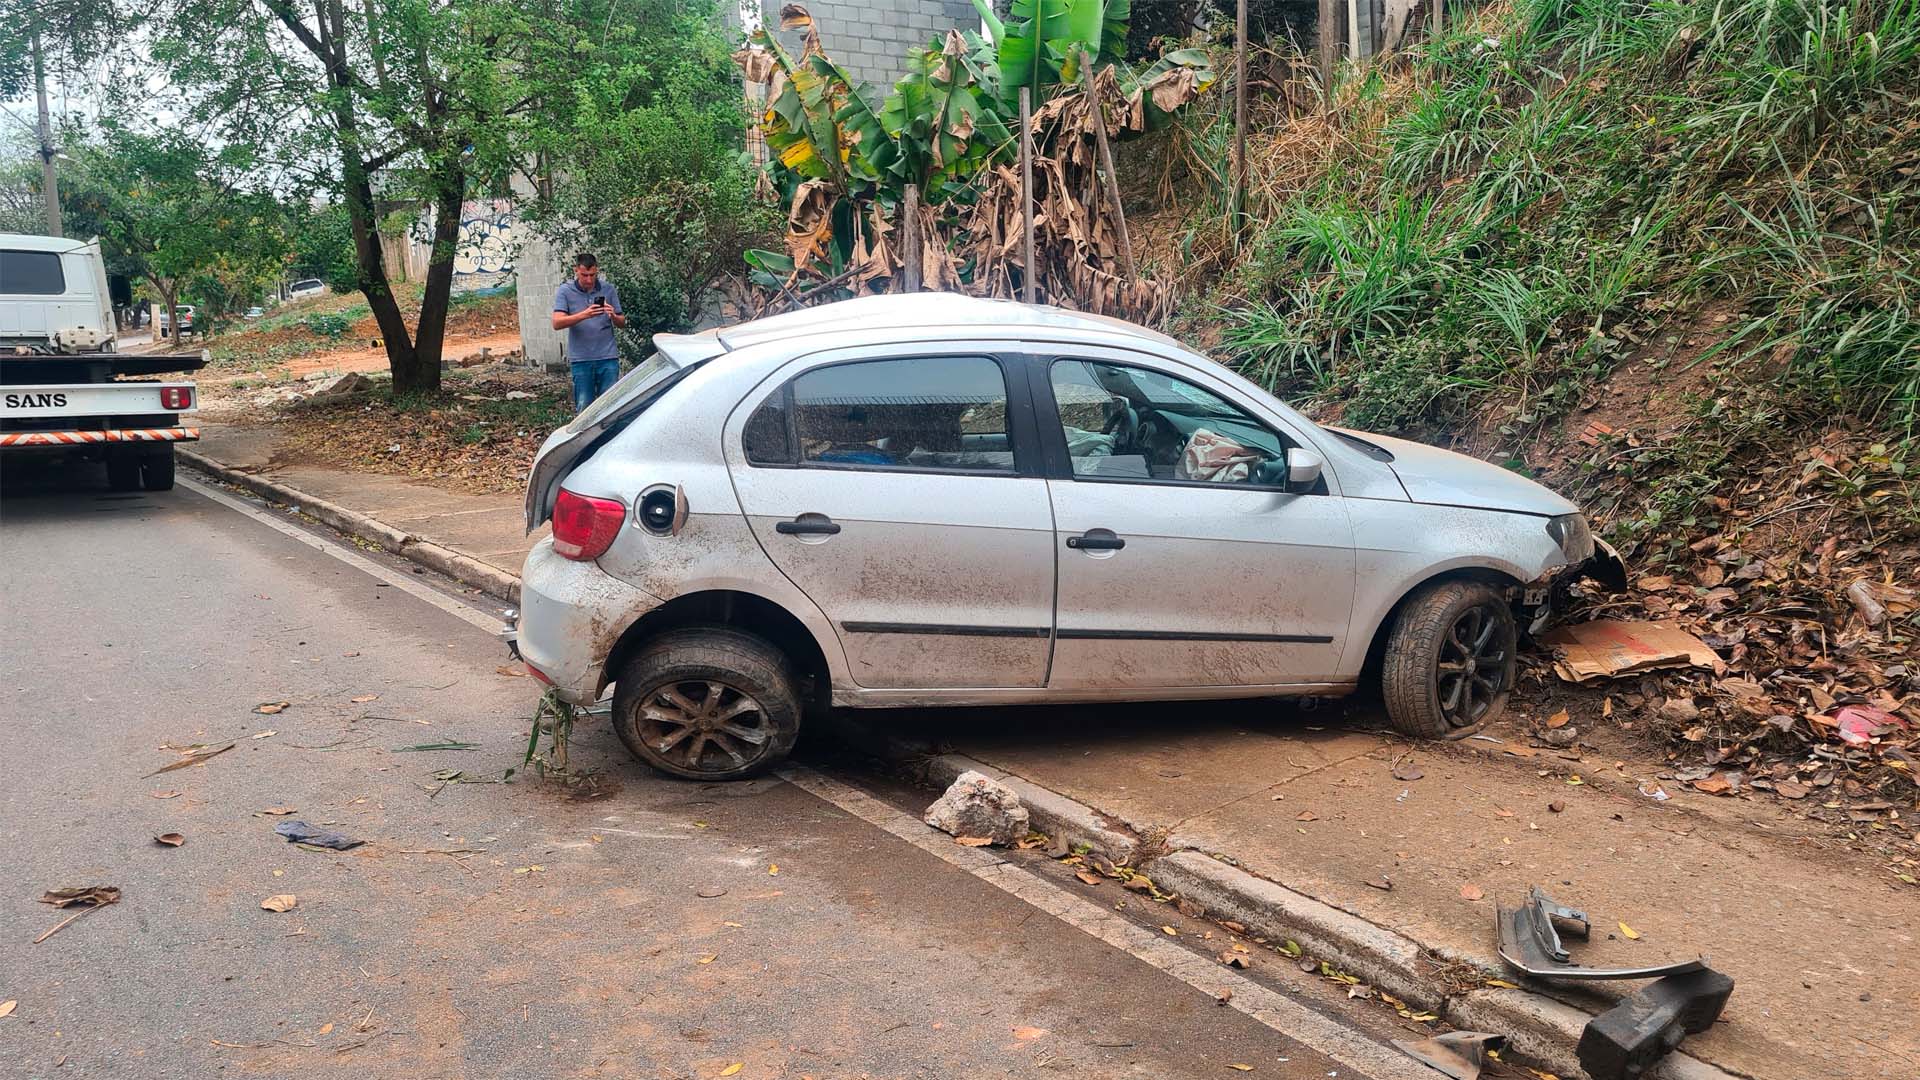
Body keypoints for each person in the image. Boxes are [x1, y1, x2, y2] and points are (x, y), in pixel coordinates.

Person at [550, 253, 628, 412]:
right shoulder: (565, 291)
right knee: (584, 407)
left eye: (592, 275)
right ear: (576, 271)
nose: (589, 280)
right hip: (581, 359)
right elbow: (557, 323)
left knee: (610, 407)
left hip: (608, 357)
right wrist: (584, 314)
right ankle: (585, 437)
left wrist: (613, 315)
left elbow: (622, 322)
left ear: (597, 271)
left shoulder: (608, 289)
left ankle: (610, 437)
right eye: (584, 275)